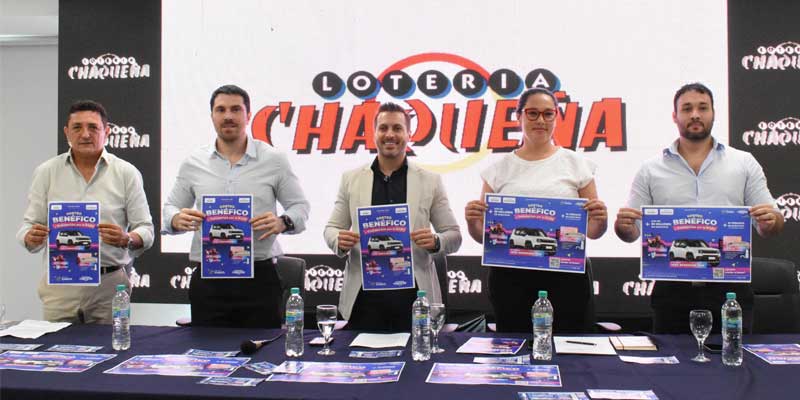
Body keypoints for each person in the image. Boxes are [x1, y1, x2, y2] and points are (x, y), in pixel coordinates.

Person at [614, 82, 784, 334]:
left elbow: (773, 224)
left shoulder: (744, 163)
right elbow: (631, 233)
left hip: (730, 290)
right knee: (671, 359)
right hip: (671, 291)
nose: (695, 114)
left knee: (733, 358)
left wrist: (771, 221)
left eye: (703, 108)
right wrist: (624, 226)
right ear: (675, 116)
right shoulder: (650, 169)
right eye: (687, 108)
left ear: (713, 113)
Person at [163, 84, 310, 328]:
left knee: (262, 349)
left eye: (235, 109)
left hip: (259, 279)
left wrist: (282, 222)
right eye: (220, 110)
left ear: (248, 115)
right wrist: (175, 219)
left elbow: (300, 207)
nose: (228, 116)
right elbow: (170, 208)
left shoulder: (274, 160)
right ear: (212, 116)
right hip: (209, 279)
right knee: (205, 350)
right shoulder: (193, 163)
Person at [464, 87, 608, 333]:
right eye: (532, 113)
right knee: (515, 345)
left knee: (570, 347)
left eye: (548, 114)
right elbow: (486, 238)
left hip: (567, 277)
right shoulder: (498, 170)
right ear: (518, 116)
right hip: (511, 280)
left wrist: (601, 218)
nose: (540, 120)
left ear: (556, 118)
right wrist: (472, 222)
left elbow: (593, 231)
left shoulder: (577, 165)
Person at [324, 102, 462, 331]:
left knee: (416, 355)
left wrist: (436, 241)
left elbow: (454, 236)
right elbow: (331, 228)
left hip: (414, 298)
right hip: (363, 299)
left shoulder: (430, 181)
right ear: (374, 133)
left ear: (409, 134)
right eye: (383, 128)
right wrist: (339, 240)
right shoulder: (351, 179)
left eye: (397, 128)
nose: (390, 134)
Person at [17, 100, 154, 324]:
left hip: (109, 285)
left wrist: (127, 238)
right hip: (61, 284)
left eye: (93, 127)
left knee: (112, 344)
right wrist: (29, 237)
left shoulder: (126, 173)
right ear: (66, 132)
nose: (85, 134)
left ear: (107, 132)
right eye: (77, 127)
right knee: (55, 347)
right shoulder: (46, 172)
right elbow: (27, 225)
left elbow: (146, 230)